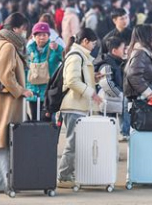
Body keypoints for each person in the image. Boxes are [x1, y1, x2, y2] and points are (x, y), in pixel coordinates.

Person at [0, 13, 34, 194]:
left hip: (1, 98)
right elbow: (5, 74)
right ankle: (8, 183)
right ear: (16, 29)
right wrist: (21, 90)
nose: (25, 33)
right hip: (5, 99)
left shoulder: (1, 42)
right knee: (4, 139)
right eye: (23, 29)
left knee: (2, 139)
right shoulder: (9, 46)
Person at [57, 28, 103, 189]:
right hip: (73, 105)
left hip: (79, 105)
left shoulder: (81, 56)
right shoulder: (76, 56)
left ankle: (69, 173)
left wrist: (94, 79)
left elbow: (80, 79)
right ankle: (63, 175)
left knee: (77, 142)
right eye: (93, 43)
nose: (94, 46)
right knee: (73, 143)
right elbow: (71, 81)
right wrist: (92, 93)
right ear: (85, 41)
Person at [26, 22, 64, 121]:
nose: (42, 37)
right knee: (34, 119)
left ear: (48, 36)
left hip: (48, 93)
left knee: (47, 121)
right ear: (34, 36)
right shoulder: (28, 50)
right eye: (39, 35)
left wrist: (58, 49)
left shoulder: (54, 49)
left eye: (44, 35)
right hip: (33, 91)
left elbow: (65, 59)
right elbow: (25, 69)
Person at [95, 36, 128, 137]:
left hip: (113, 100)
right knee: (108, 126)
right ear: (114, 50)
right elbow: (106, 83)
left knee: (111, 128)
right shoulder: (106, 63)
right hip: (109, 100)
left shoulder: (117, 62)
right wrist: (120, 94)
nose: (125, 51)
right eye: (123, 49)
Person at [124, 25, 152, 100]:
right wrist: (149, 93)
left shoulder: (140, 51)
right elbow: (133, 75)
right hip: (141, 98)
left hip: (142, 97)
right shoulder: (140, 53)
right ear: (147, 36)